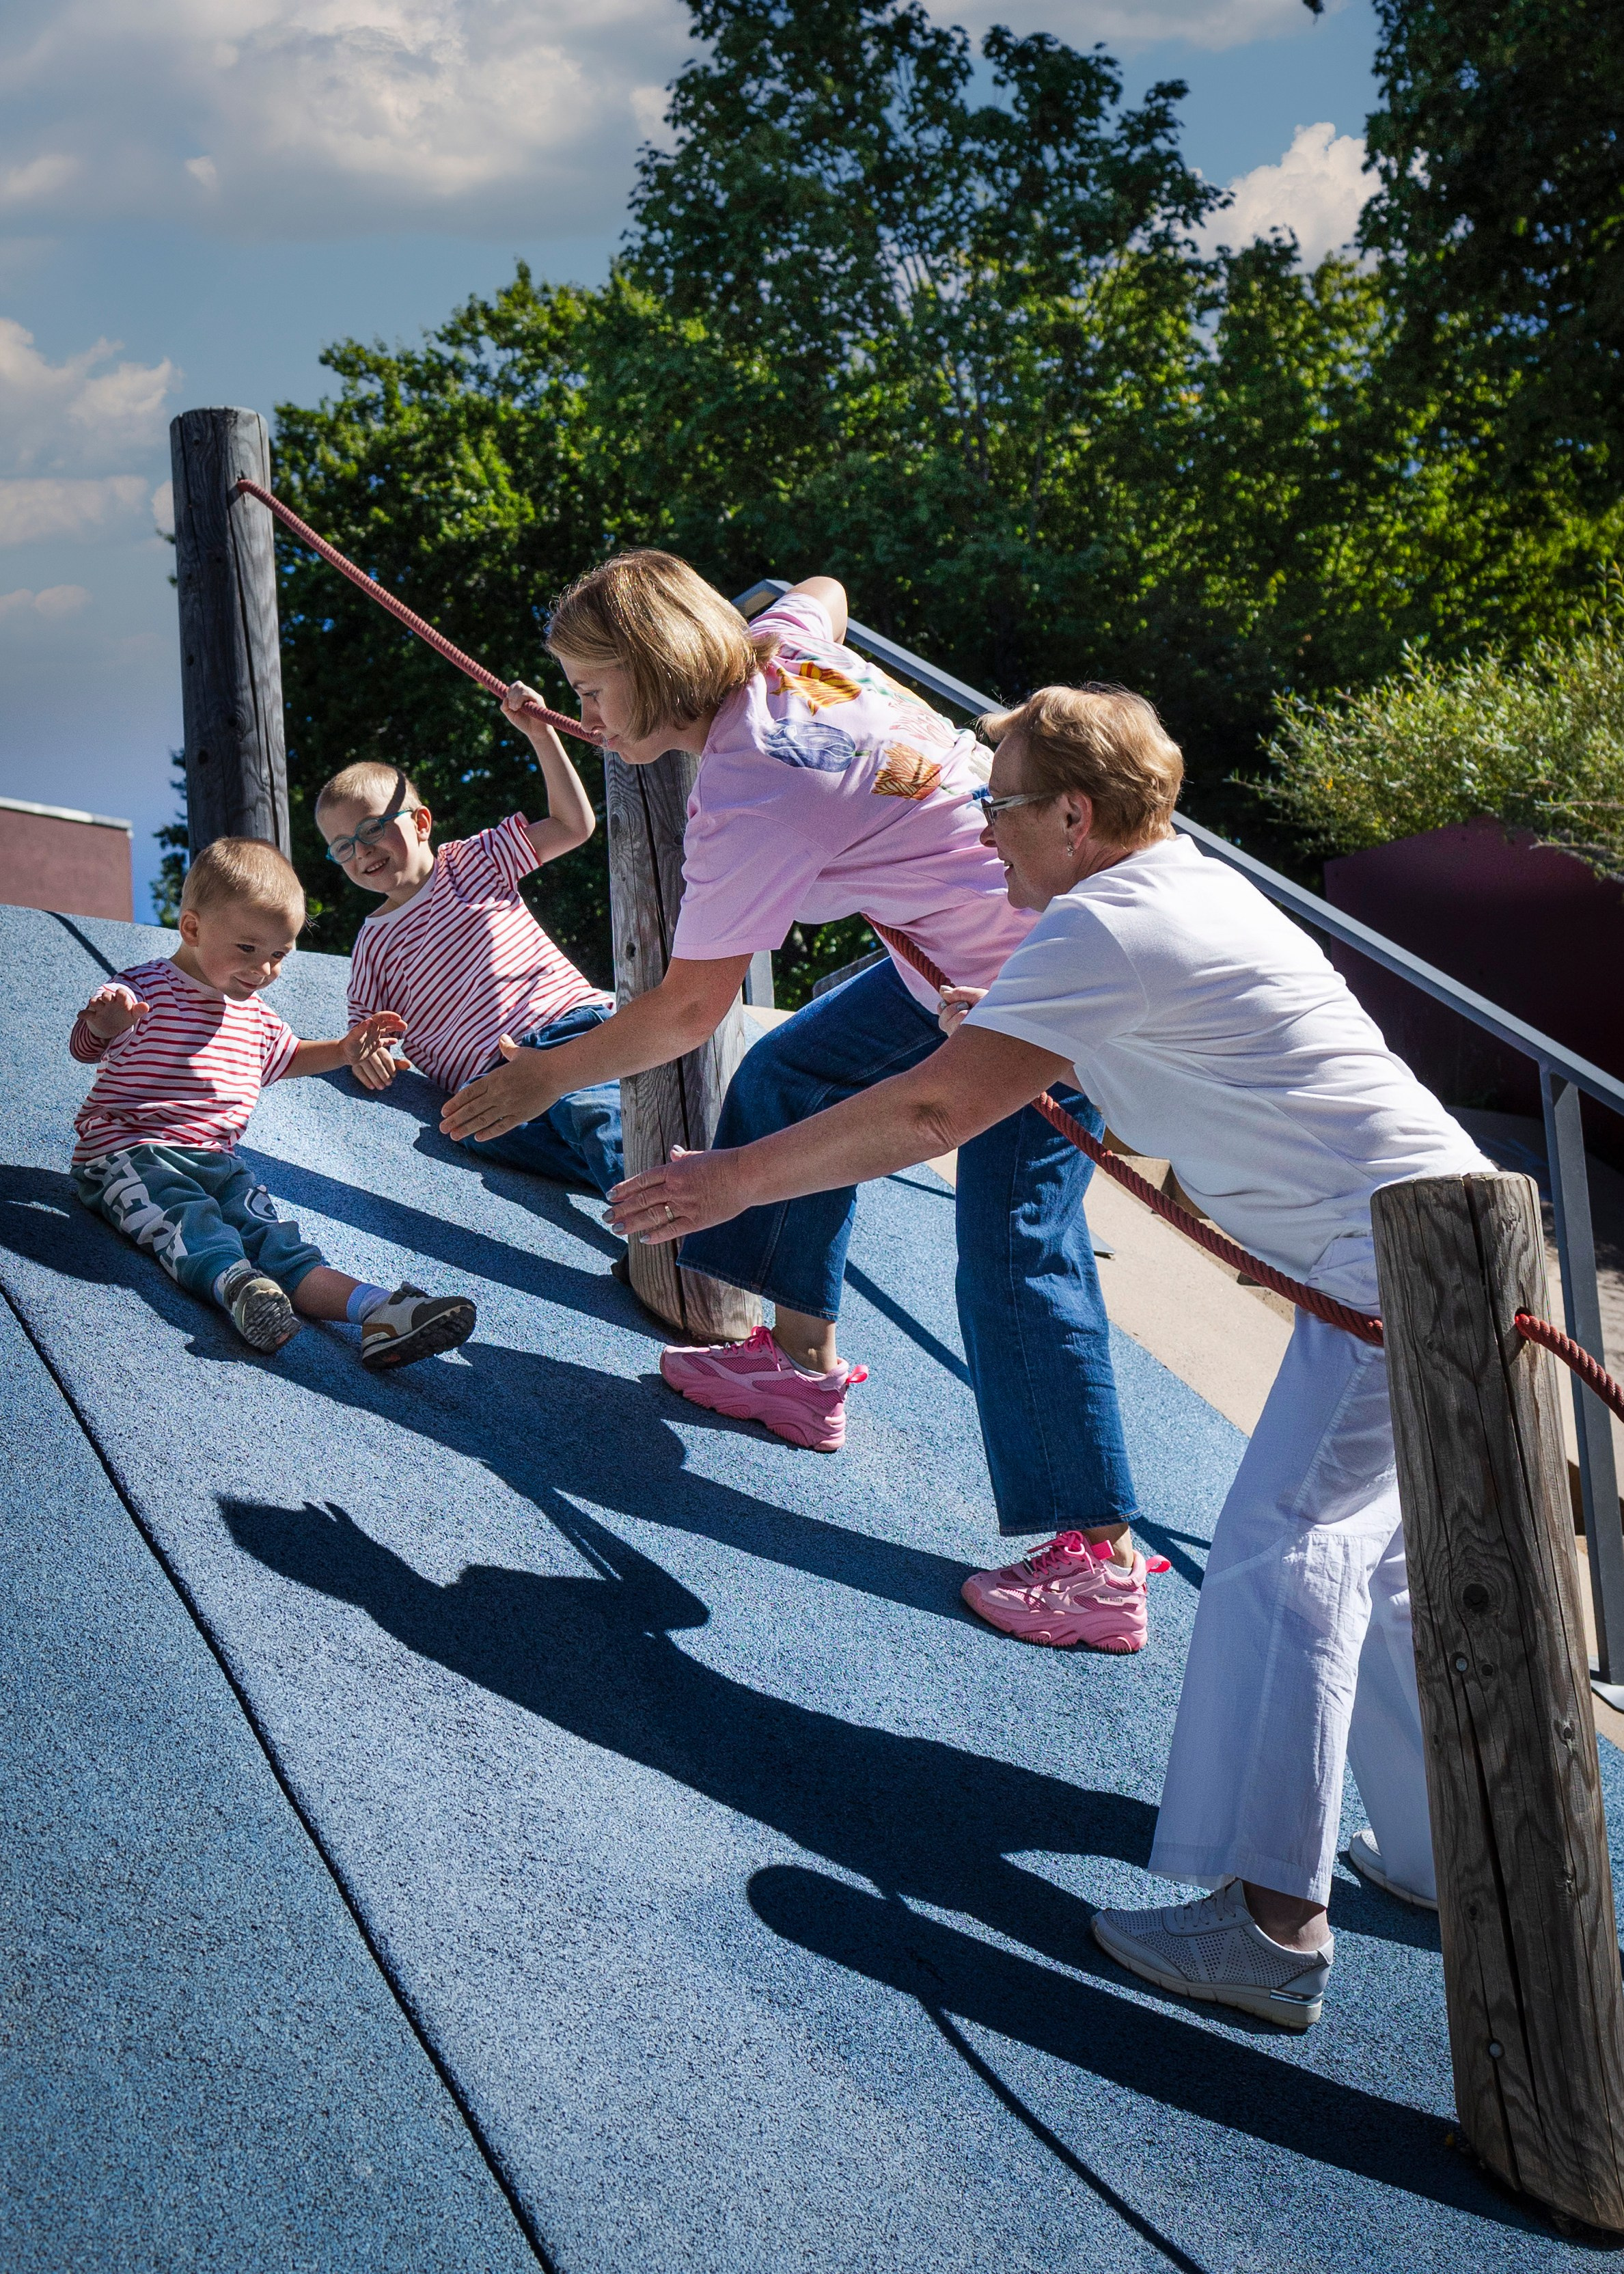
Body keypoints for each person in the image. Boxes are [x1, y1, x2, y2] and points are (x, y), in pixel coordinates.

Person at [607, 681, 1492, 2031]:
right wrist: (1008, 1014)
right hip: (1433, 1253)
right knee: (1372, 1564)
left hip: (1395, 1269)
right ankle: (1437, 1858)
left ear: (1072, 816)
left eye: (1000, 805)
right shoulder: (1168, 891)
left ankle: (1270, 1926)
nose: (984, 829)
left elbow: (926, 1105)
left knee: (1280, 1547)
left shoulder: (1104, 921)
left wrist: (733, 1177)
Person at [441, 552, 1148, 1651]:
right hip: (951, 961)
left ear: (658, 664)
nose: (585, 713)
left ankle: (1098, 1559)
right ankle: (799, 1367)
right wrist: (766, 608)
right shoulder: (783, 648)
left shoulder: (749, 789)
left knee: (1015, 1245)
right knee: (787, 1073)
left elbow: (684, 1012)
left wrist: (543, 1073)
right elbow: (820, 587)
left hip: (1041, 980)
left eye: (592, 688)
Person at [70, 835, 478, 1370]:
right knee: (186, 1217)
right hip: (131, 1150)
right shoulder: (145, 988)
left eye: (278, 956)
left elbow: (290, 1056)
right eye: (247, 949)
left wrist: (346, 1049)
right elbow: (85, 1048)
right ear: (192, 929)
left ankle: (379, 1311)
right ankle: (238, 1286)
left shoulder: (256, 1017)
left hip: (220, 1161)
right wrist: (105, 1024)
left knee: (277, 1239)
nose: (263, 970)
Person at [318, 698, 622, 1198]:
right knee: (474, 1136)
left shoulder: (471, 863)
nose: (362, 850)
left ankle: (666, 1232)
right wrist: (367, 1055)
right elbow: (366, 1034)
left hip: (563, 1035)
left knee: (586, 1113)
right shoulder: (373, 943)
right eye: (343, 847)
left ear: (420, 823)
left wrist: (540, 734)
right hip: (487, 1093)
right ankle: (644, 1178)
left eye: (371, 829)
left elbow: (573, 826)